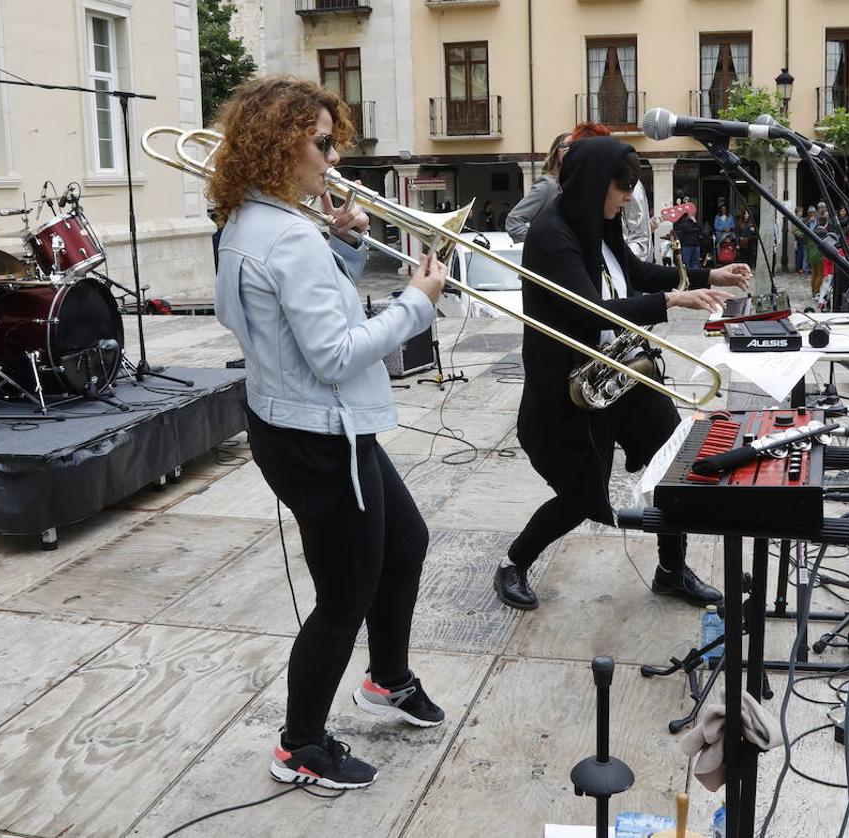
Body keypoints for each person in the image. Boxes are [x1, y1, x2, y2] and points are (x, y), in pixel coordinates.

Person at [209, 77, 448, 790]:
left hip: (300, 425)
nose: (332, 156)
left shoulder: (249, 224)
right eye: (321, 141)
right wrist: (417, 303)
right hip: (320, 438)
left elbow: (262, 317)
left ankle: (387, 678)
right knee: (344, 597)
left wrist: (341, 248)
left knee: (406, 543)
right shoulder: (287, 237)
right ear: (281, 144)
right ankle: (301, 745)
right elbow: (338, 353)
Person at [493, 137, 752, 611]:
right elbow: (590, 310)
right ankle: (515, 561)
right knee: (580, 496)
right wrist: (673, 301)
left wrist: (709, 275)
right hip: (573, 390)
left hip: (620, 373)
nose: (629, 196)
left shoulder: (597, 225)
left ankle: (671, 570)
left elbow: (637, 272)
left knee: (676, 464)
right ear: (595, 185)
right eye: (624, 187)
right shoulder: (553, 235)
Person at [506, 131, 570, 243]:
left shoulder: (585, 186)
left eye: (575, 144)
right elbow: (514, 220)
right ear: (557, 154)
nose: (570, 149)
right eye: (565, 145)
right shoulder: (548, 187)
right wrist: (542, 243)